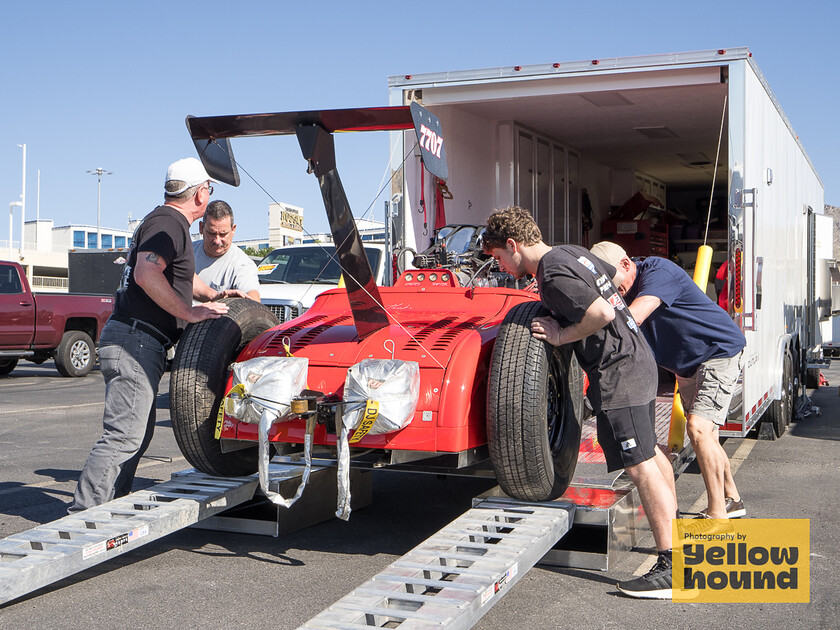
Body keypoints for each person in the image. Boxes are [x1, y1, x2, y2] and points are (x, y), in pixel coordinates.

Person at [482, 207, 678, 599]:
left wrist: (560, 335)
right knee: (652, 456)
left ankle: (671, 566)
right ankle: (678, 548)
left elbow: (602, 312)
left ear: (512, 245)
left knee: (639, 466)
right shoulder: (572, 252)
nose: (501, 266)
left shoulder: (551, 274)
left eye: (499, 258)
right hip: (636, 361)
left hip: (619, 372)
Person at [69, 158, 247, 513]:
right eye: (208, 189)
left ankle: (110, 507)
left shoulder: (164, 223)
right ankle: (82, 516)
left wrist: (212, 296)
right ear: (200, 193)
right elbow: (147, 274)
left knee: (138, 433)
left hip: (134, 341)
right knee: (124, 436)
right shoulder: (170, 224)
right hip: (136, 342)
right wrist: (188, 312)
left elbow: (176, 277)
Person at [590, 241, 746, 522]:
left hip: (717, 351)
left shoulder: (659, 272)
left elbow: (634, 318)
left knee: (698, 430)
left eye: (615, 283)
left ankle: (717, 514)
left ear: (627, 264)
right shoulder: (618, 287)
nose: (614, 290)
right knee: (706, 437)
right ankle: (732, 498)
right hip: (685, 366)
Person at [193, 200, 260, 301]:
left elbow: (252, 297)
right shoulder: (185, 252)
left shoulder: (242, 264)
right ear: (201, 228)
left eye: (223, 234)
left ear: (233, 229)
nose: (217, 240)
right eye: (211, 233)